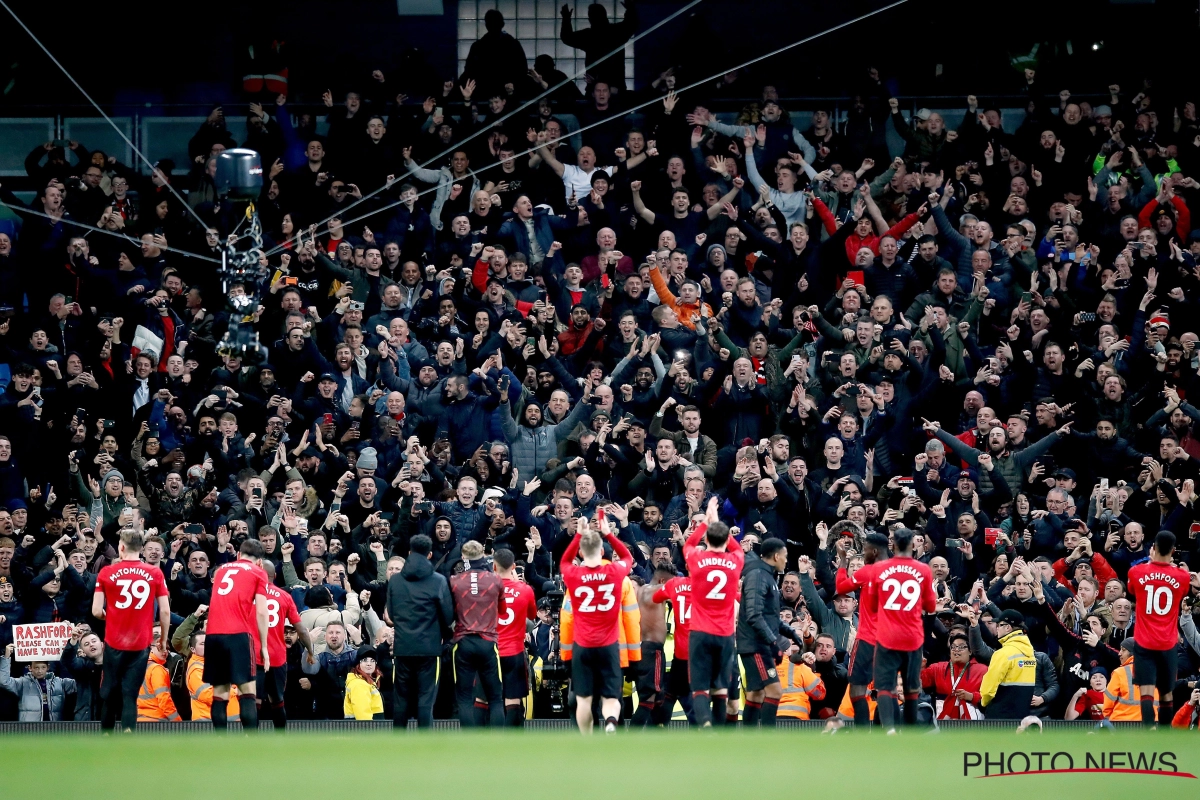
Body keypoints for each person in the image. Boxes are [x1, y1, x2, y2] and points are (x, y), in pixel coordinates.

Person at [559, 513, 633, 734]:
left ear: (581, 553)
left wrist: (578, 535)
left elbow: (563, 560)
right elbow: (627, 556)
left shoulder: (573, 574)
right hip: (609, 645)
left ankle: (587, 738)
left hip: (583, 645)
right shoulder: (615, 572)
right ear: (602, 552)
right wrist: (609, 533)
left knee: (583, 699)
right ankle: (610, 721)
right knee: (611, 696)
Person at [91, 529, 170, 732]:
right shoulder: (155, 573)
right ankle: (128, 736)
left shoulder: (107, 572)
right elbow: (165, 611)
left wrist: (113, 616)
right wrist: (162, 639)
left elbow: (96, 611)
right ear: (141, 548)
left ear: (122, 547)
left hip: (114, 641)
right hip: (141, 642)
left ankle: (107, 737)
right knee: (130, 694)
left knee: (109, 691)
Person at [683, 498, 744, 728]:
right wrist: (717, 523)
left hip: (700, 631)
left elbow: (688, 545)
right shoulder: (736, 560)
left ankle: (705, 725)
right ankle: (717, 733)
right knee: (720, 688)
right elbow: (735, 547)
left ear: (706, 539)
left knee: (700, 688)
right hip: (726, 634)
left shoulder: (697, 559)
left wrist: (705, 523)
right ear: (726, 540)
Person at [870, 528, 936, 732]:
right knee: (911, 686)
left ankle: (888, 729)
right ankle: (909, 731)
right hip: (912, 637)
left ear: (894, 545)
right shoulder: (924, 570)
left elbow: (872, 605)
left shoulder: (879, 569)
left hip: (887, 636)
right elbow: (931, 607)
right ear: (912, 545)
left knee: (884, 684)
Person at [1127, 530, 1196, 726]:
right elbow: (1183, 591)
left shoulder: (1137, 572)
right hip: (1167, 643)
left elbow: (1132, 591)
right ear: (1173, 551)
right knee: (1166, 694)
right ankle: (1165, 737)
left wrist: (1150, 564)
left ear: (1153, 548)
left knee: (1147, 692)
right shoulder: (1182, 576)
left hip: (1144, 642)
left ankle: (1148, 735)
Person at [385, 534, 453, 729]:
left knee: (401, 700)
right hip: (430, 649)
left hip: (403, 647)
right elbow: (448, 617)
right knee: (426, 699)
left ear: (409, 553)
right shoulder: (438, 581)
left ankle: (398, 744)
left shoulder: (396, 581)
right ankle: (424, 745)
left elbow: (391, 613)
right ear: (430, 554)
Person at [203, 538, 271, 730]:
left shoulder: (221, 570)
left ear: (239, 555)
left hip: (213, 635)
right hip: (238, 634)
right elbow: (261, 611)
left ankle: (220, 744)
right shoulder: (259, 572)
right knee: (247, 690)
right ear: (259, 561)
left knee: (220, 691)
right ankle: (250, 744)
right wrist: (264, 647)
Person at [738, 538, 800, 726]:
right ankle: (768, 740)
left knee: (756, 694)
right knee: (774, 691)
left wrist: (790, 632)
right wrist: (773, 643)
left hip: (758, 644)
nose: (786, 560)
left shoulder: (767, 576)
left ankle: (748, 741)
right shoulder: (758, 575)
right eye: (785, 556)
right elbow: (754, 616)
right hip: (756, 645)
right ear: (776, 556)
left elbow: (769, 616)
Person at [449, 539, 506, 726]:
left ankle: (468, 743)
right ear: (483, 554)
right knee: (496, 697)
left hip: (463, 641)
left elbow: (450, 611)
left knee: (464, 697)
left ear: (463, 557)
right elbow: (503, 610)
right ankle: (498, 744)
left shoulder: (455, 581)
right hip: (488, 642)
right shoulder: (496, 580)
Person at [834, 529, 889, 725]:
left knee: (857, 688)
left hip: (868, 638)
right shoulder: (900, 572)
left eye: (865, 549)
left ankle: (863, 733)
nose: (863, 553)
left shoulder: (869, 571)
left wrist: (842, 560)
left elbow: (841, 588)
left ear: (874, 551)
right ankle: (885, 732)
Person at [259, 560, 315, 728]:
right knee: (277, 699)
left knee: (253, 699)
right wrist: (311, 652)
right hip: (277, 655)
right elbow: (302, 630)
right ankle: (281, 740)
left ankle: (250, 741)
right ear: (275, 576)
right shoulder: (284, 596)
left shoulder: (249, 594)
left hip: (255, 653)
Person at [493, 547, 536, 726]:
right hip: (515, 652)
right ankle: (512, 740)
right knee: (513, 701)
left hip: (492, 652)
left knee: (490, 699)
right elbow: (532, 615)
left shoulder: (488, 589)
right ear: (513, 566)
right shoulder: (525, 590)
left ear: (494, 566)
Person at [979, 609, 1038, 719]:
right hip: (1022, 714)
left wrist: (983, 702)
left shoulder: (1003, 653)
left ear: (1008, 627)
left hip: (1000, 715)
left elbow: (989, 688)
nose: (997, 628)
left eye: (1000, 625)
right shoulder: (1030, 654)